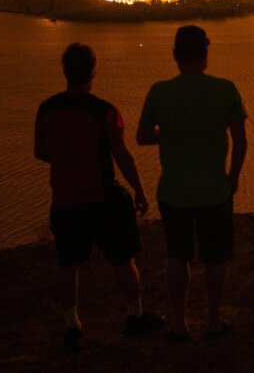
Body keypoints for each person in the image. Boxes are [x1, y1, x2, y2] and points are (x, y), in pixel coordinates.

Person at [35, 43, 163, 354]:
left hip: (64, 200)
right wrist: (139, 190)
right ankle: (134, 316)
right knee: (123, 260)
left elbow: (41, 152)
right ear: (93, 71)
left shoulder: (47, 109)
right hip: (103, 198)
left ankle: (71, 326)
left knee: (67, 265)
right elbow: (121, 155)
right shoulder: (104, 111)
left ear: (65, 71)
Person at [137, 25, 247, 340]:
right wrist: (234, 176)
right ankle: (212, 319)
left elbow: (143, 136)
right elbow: (240, 141)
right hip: (215, 189)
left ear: (175, 55)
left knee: (177, 255)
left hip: (173, 190)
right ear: (205, 54)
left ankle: (179, 324)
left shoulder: (160, 92)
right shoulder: (226, 89)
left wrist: (169, 133)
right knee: (214, 257)